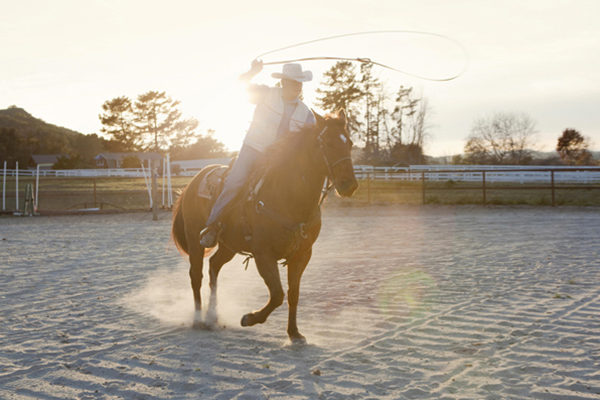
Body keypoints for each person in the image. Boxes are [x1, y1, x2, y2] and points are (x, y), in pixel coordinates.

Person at [199, 61, 316, 248]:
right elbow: (241, 85)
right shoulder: (267, 94)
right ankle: (212, 225)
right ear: (284, 82)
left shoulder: (307, 114)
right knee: (235, 182)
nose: (298, 86)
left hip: (279, 159)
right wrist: (252, 72)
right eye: (294, 82)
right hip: (253, 149)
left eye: (300, 83)